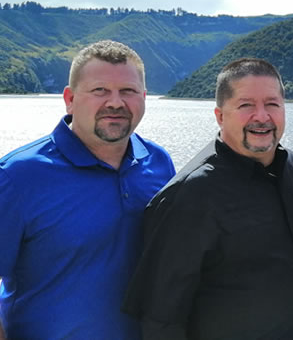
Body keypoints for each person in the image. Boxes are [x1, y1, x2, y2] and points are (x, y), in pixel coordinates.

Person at [122, 58, 293, 339]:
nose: (262, 116)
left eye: (272, 104)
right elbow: (161, 318)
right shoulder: (189, 196)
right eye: (246, 105)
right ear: (220, 116)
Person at [0, 40, 175, 339]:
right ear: (69, 99)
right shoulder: (18, 175)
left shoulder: (159, 164)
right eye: (100, 91)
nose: (115, 103)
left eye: (128, 91)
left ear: (144, 97)